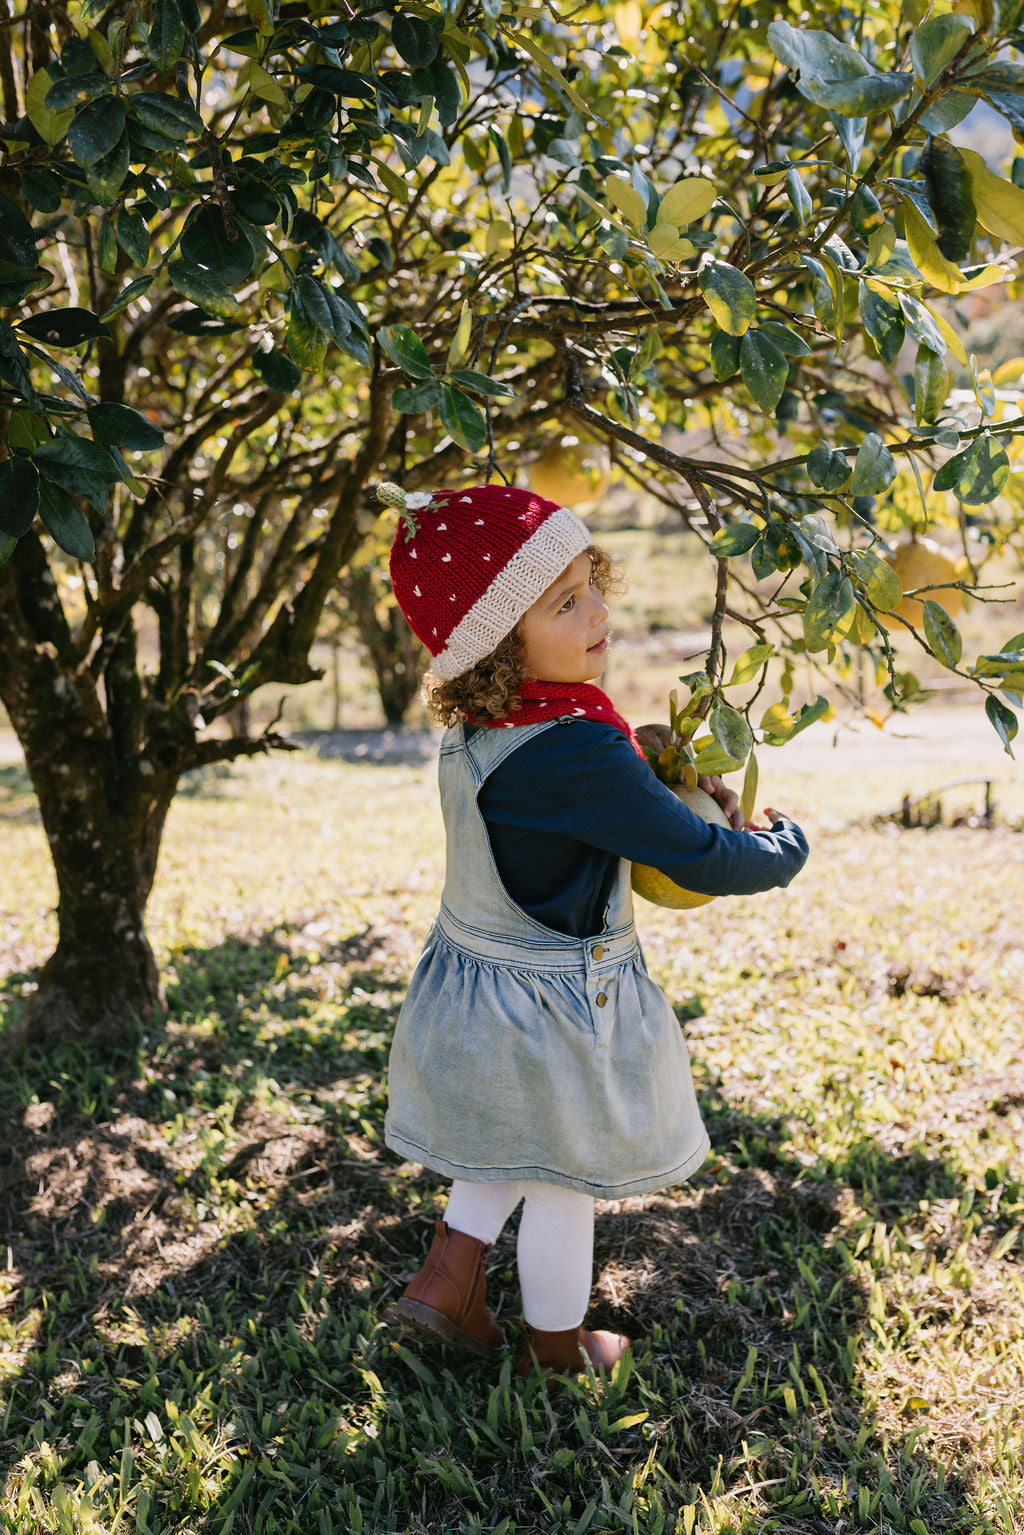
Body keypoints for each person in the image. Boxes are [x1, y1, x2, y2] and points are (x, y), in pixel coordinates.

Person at [378, 480, 809, 1382]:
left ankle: (447, 1279)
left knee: (509, 1140)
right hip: (555, 1009)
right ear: (501, 641)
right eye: (564, 602)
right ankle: (559, 1349)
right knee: (566, 1181)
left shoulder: (485, 724)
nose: (599, 611)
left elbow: (573, 795)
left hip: (479, 994)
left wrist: (644, 753)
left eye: (591, 582)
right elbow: (696, 855)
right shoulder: (578, 751)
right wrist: (777, 846)